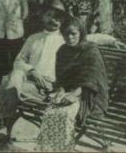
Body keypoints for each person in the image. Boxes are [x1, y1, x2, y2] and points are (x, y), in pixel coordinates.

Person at [0, 6, 66, 148]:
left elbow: (92, 38)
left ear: (62, 21)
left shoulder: (64, 42)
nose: (53, 20)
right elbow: (19, 61)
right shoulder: (33, 38)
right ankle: (4, 126)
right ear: (43, 17)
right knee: (15, 75)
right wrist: (32, 71)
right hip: (28, 82)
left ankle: (4, 125)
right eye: (49, 15)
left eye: (58, 17)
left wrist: (111, 40)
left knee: (6, 82)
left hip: (48, 87)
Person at [37, 17, 108, 152]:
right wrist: (61, 91)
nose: (69, 37)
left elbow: (92, 80)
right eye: (66, 34)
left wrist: (73, 95)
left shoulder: (91, 51)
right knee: (50, 112)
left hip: (90, 95)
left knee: (65, 114)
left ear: (81, 32)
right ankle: (50, 150)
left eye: (73, 34)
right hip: (69, 93)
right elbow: (62, 79)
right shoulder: (63, 51)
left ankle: (64, 149)